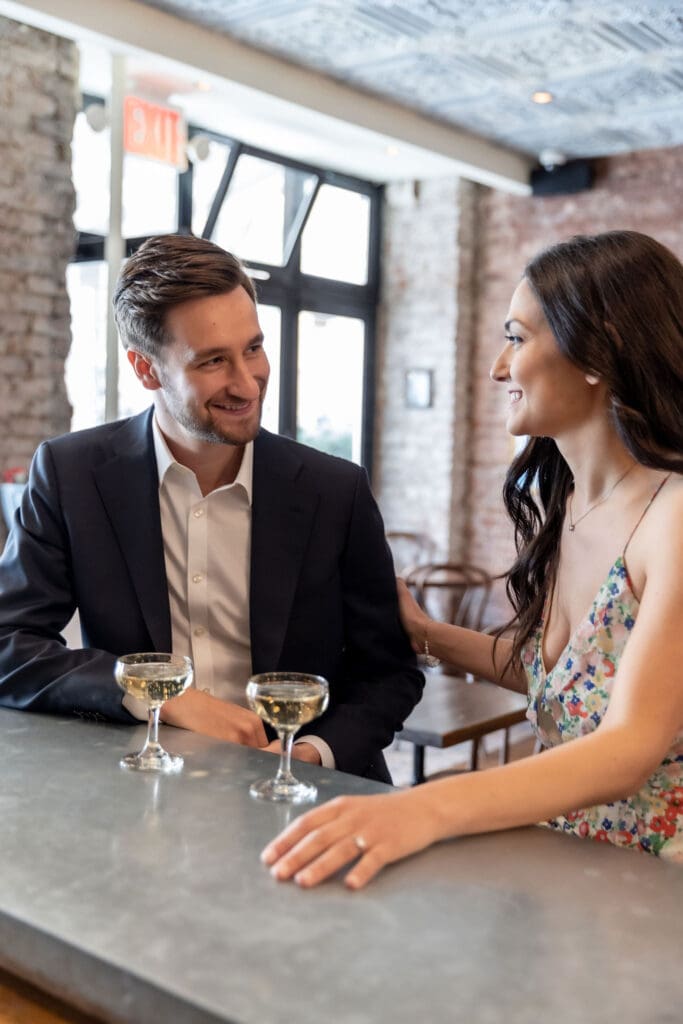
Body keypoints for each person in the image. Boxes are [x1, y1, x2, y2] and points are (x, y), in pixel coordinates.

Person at [261, 229, 683, 887]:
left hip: (657, 890)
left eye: (516, 338)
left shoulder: (674, 517)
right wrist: (425, 632)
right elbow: (567, 685)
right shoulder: (571, 505)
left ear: (596, 351)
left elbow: (627, 746)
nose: (496, 367)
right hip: (575, 872)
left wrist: (425, 806)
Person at [0, 234, 423, 782]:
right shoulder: (70, 474)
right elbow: (10, 645)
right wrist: (156, 696)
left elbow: (389, 674)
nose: (247, 382)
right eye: (213, 361)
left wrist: (310, 754)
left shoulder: (335, 490)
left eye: (253, 348)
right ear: (146, 369)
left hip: (307, 793)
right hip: (140, 789)